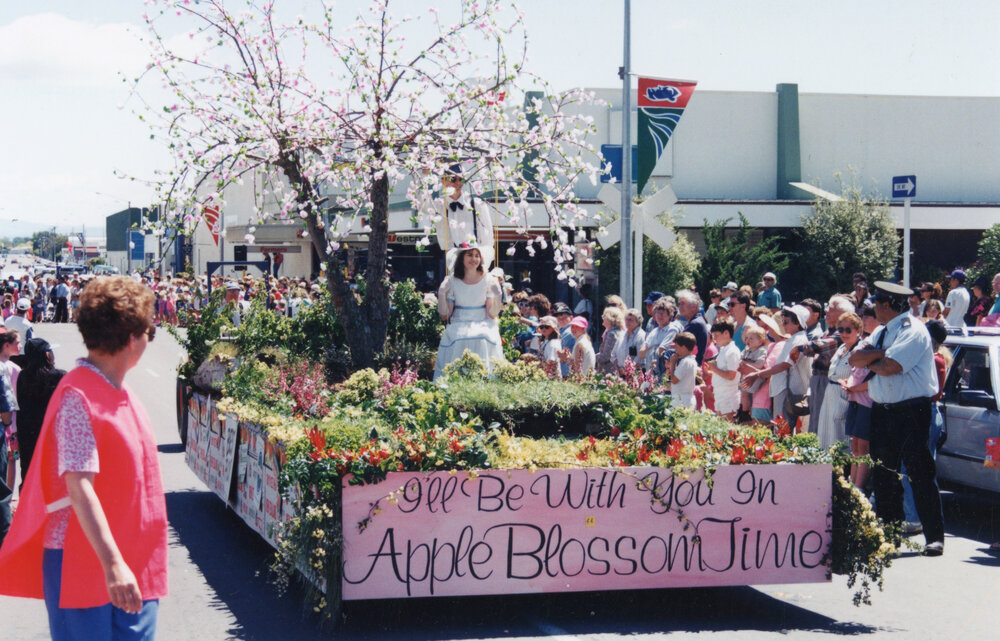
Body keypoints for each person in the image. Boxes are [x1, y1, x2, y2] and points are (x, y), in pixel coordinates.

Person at [0, 275, 169, 638]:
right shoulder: (80, 394)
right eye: (148, 332)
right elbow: (79, 486)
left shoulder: (117, 392)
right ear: (129, 337)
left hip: (129, 555)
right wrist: (113, 565)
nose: (148, 341)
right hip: (86, 559)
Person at [848, 281, 945, 556]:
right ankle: (890, 536)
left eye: (876, 304)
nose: (874, 309)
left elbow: (891, 367)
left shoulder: (913, 331)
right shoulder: (882, 331)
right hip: (883, 410)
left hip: (911, 410)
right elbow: (855, 358)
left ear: (886, 304)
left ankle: (934, 537)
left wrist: (874, 358)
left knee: (919, 474)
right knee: (884, 475)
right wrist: (878, 353)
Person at [433, 246, 505, 380]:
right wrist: (442, 294)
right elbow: (445, 315)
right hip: (460, 321)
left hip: (482, 321)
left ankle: (485, 381)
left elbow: (492, 314)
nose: (474, 259)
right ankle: (454, 381)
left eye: (477, 255)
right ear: (462, 258)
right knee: (459, 337)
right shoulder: (453, 280)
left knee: (483, 336)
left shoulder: (488, 279)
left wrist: (498, 296)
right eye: (470, 255)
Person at [743, 305, 812, 429]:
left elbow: (785, 364)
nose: (783, 325)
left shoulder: (799, 339)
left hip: (788, 391)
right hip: (784, 390)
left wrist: (758, 374)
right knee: (780, 428)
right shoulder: (794, 338)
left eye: (786, 322)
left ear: (797, 324)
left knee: (782, 430)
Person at [418, 165, 495, 273]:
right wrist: (424, 176)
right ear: (444, 181)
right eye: (453, 179)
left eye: (461, 179)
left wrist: (482, 263)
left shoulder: (477, 204)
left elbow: (488, 238)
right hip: (451, 259)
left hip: (474, 260)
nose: (458, 183)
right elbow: (421, 203)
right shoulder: (438, 206)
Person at [14, 338, 66, 486]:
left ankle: (27, 507)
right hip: (51, 434)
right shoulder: (59, 376)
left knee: (28, 474)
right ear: (47, 355)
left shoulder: (22, 377)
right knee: (51, 478)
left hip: (27, 434)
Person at [816, 312, 862, 449]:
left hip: (844, 395)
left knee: (840, 434)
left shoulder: (860, 350)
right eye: (841, 329)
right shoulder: (841, 347)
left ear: (858, 330)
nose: (844, 333)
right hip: (830, 394)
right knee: (826, 431)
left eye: (849, 330)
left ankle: (840, 467)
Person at [704, 320, 740, 420]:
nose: (714, 338)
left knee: (729, 425)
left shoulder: (732, 351)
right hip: (720, 393)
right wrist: (712, 370)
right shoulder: (724, 350)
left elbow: (731, 376)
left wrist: (714, 368)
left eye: (716, 335)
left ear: (726, 333)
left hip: (729, 395)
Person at [675, 289, 709, 365]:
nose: (679, 307)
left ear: (694, 306)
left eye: (683, 303)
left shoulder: (694, 324)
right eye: (679, 304)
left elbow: (681, 350)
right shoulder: (696, 321)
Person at [667, 332, 698, 409]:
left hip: (682, 400)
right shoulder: (690, 361)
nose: (676, 351)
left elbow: (674, 380)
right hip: (685, 399)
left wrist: (673, 363)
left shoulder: (686, 362)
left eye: (677, 347)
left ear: (684, 347)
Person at [595, 307, 625, 376]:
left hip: (609, 372)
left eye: (604, 315)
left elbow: (606, 356)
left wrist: (592, 358)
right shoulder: (619, 331)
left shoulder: (611, 334)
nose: (602, 317)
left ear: (610, 318)